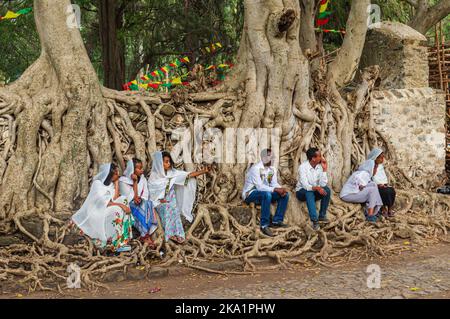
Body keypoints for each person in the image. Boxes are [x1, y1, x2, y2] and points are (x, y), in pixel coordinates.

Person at [148, 151, 210, 244]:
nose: (168, 164)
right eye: (165, 162)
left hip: (171, 201)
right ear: (159, 163)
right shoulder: (154, 176)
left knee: (174, 210)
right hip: (158, 203)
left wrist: (203, 171)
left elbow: (187, 176)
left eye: (169, 162)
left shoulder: (172, 173)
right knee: (167, 208)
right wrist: (160, 200)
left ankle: (178, 234)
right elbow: (152, 192)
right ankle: (169, 234)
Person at [71, 163, 133, 252]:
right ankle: (116, 244)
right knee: (117, 209)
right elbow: (103, 202)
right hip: (96, 213)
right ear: (109, 174)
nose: (118, 175)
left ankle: (123, 240)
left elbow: (115, 199)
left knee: (123, 199)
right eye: (116, 173)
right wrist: (120, 206)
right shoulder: (97, 184)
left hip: (106, 210)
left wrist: (116, 183)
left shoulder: (111, 185)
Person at [242, 149, 289, 237]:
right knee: (266, 194)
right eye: (270, 157)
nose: (272, 159)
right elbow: (259, 187)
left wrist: (281, 189)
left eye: (273, 157)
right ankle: (264, 225)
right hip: (251, 194)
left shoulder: (272, 169)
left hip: (265, 193)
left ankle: (277, 220)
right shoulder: (256, 169)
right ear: (263, 158)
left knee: (285, 195)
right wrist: (275, 189)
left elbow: (273, 183)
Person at [119, 158, 157, 248]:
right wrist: (135, 182)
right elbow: (128, 198)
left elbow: (145, 193)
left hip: (140, 203)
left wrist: (141, 198)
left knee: (148, 204)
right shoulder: (122, 181)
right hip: (128, 205)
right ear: (132, 170)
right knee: (141, 206)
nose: (142, 170)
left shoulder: (143, 179)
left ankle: (145, 234)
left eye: (141, 168)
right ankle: (145, 236)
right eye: (139, 168)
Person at [295, 148, 331, 231]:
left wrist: (325, 169)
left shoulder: (319, 166)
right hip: (301, 192)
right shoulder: (303, 167)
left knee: (327, 190)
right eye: (320, 156)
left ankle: (322, 215)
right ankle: (314, 221)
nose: (322, 157)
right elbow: (305, 185)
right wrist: (317, 188)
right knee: (309, 192)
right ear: (313, 158)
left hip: (314, 190)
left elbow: (323, 184)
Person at [368, 148, 396, 217]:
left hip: (383, 185)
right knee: (384, 192)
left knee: (391, 190)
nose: (382, 159)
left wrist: (384, 184)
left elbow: (383, 177)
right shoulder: (370, 165)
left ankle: (390, 208)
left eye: (383, 157)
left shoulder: (380, 166)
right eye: (380, 158)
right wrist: (378, 184)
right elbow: (370, 177)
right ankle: (383, 208)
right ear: (375, 157)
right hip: (374, 186)